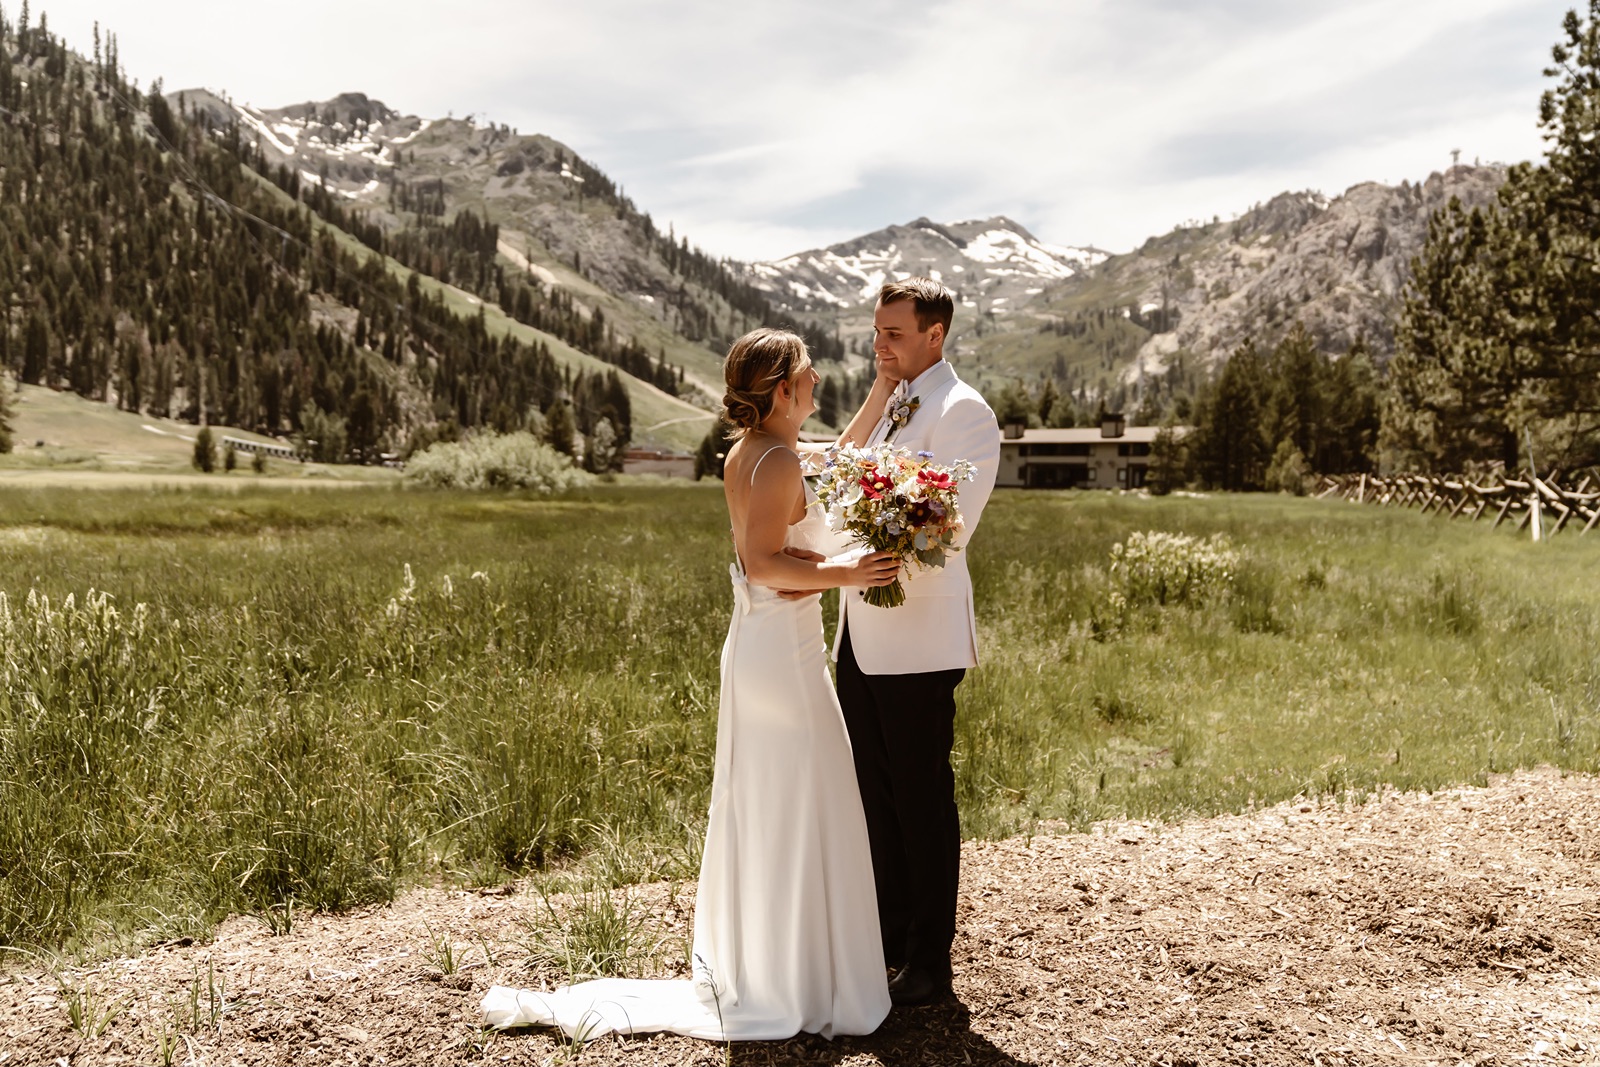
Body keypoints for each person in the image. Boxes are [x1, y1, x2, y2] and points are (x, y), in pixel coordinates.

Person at [481, 328, 898, 1041]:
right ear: (779, 390)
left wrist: (884, 388)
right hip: (778, 658)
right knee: (800, 795)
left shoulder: (770, 450)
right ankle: (797, 976)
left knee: (797, 797)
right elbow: (765, 563)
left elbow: (840, 459)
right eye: (806, 371)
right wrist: (845, 573)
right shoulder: (771, 464)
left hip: (775, 650)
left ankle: (789, 966)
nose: (818, 377)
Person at [833, 278, 1000, 1007]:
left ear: (935, 335)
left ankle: (931, 961)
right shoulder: (896, 400)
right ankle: (891, 941)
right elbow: (842, 479)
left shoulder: (964, 411)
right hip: (858, 630)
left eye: (894, 334)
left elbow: (948, 524)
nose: (880, 346)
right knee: (874, 794)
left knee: (921, 799)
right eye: (877, 332)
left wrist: (872, 518)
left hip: (919, 637)